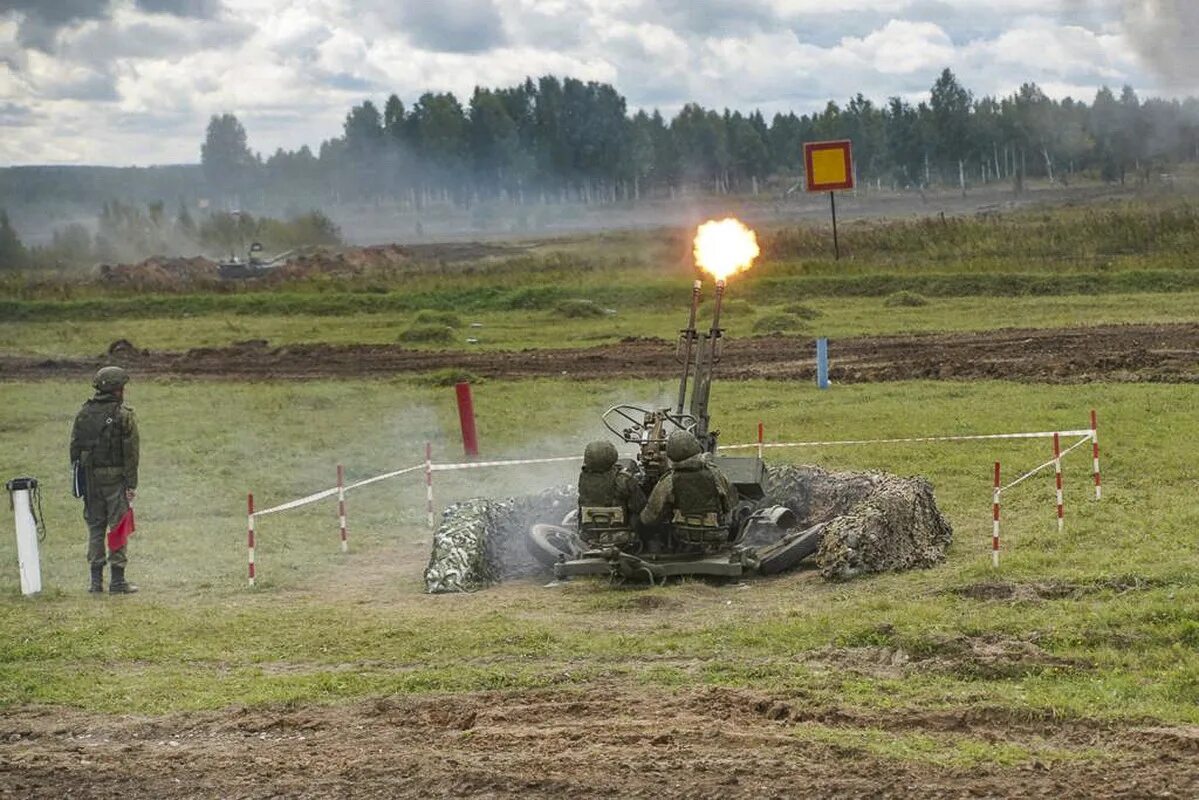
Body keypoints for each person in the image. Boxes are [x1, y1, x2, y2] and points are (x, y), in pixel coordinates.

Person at [70, 366, 140, 594]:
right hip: (116, 478)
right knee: (118, 527)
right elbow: (131, 454)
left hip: (90, 478)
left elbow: (74, 450)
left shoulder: (84, 413)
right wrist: (131, 484)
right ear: (117, 390)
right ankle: (118, 581)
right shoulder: (123, 415)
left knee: (95, 527)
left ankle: (95, 581)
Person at [640, 430, 737, 553]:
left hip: (682, 535)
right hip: (716, 533)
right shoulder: (715, 474)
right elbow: (731, 503)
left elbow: (648, 518)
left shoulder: (668, 480)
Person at [577, 440, 645, 548]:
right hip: (621, 533)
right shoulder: (623, 479)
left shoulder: (583, 478)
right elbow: (640, 506)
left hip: (591, 535)